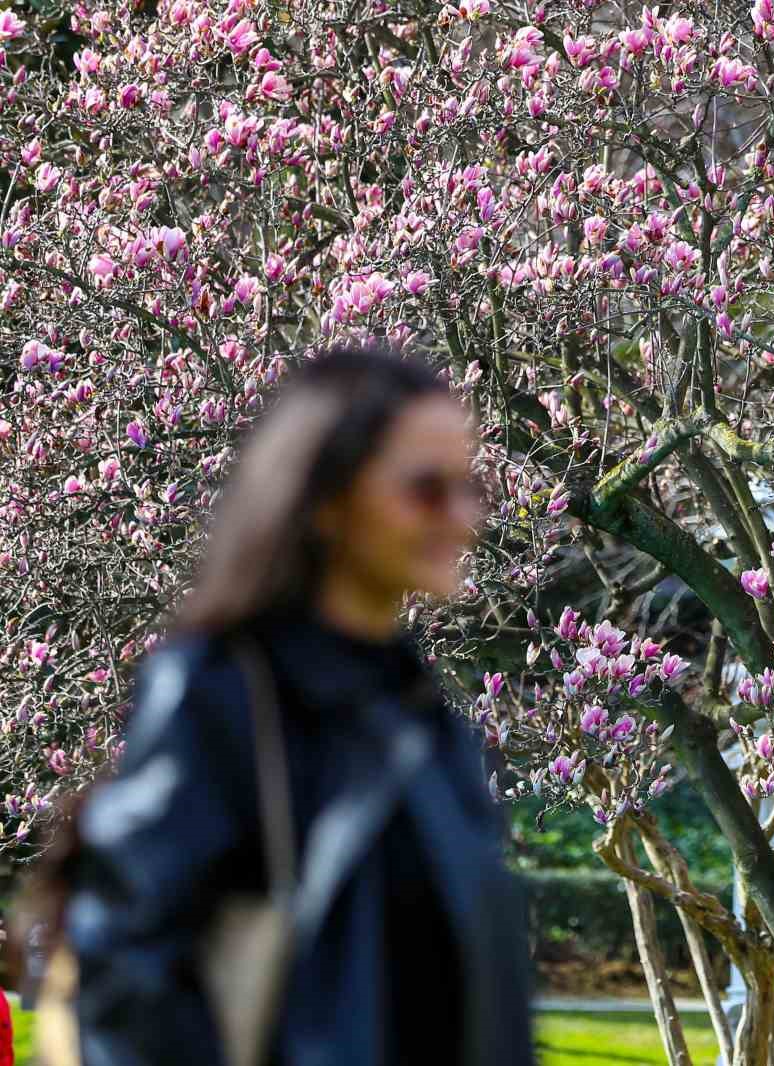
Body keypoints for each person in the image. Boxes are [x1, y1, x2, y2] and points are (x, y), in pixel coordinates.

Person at [55, 342, 534, 1066]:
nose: (463, 518)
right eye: (426, 489)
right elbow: (125, 972)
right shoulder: (223, 692)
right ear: (326, 500)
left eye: (472, 488)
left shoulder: (419, 711)